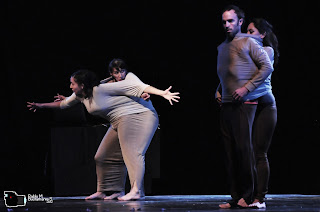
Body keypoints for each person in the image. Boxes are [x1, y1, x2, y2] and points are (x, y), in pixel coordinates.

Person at [27, 69, 180, 201]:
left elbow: (136, 86)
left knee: (133, 153)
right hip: (119, 120)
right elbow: (63, 104)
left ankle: (137, 191)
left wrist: (162, 93)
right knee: (103, 156)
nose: (70, 87)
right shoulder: (80, 95)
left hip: (138, 115)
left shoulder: (102, 89)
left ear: (82, 85)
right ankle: (110, 190)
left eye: (72, 84)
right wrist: (40, 105)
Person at [216, 5, 274, 208]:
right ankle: (235, 196)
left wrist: (246, 89)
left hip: (246, 102)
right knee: (230, 152)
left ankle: (249, 196)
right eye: (224, 21)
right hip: (227, 104)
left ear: (240, 21)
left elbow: (267, 67)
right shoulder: (222, 47)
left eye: (231, 21)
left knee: (244, 149)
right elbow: (227, 73)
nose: (227, 25)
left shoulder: (250, 42)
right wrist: (219, 90)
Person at [246, 18, 279, 209]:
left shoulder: (266, 51)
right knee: (246, 152)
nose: (247, 35)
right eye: (247, 32)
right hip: (248, 105)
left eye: (251, 32)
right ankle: (246, 195)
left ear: (262, 34)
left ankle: (260, 198)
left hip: (265, 106)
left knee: (259, 152)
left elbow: (253, 72)